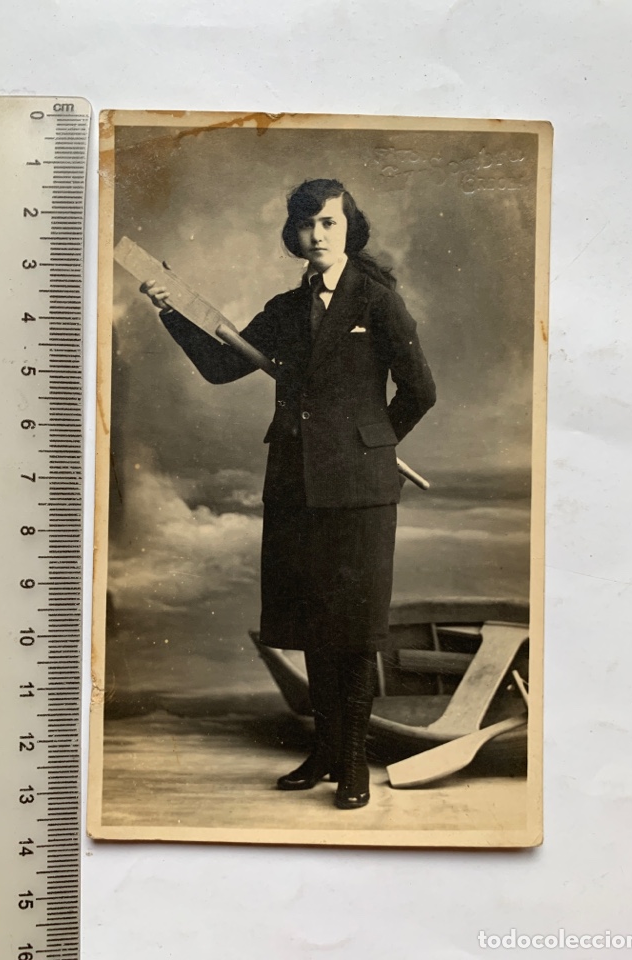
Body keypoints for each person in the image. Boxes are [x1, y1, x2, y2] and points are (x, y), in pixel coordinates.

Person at [141, 178, 436, 809]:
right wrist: (170, 310)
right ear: (293, 234)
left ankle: (354, 765)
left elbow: (420, 391)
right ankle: (325, 752)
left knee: (352, 631)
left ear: (349, 228)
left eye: (329, 223)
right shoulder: (283, 309)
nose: (318, 235)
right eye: (307, 225)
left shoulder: (378, 301)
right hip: (296, 486)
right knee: (312, 624)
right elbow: (222, 366)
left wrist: (371, 442)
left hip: (360, 492)